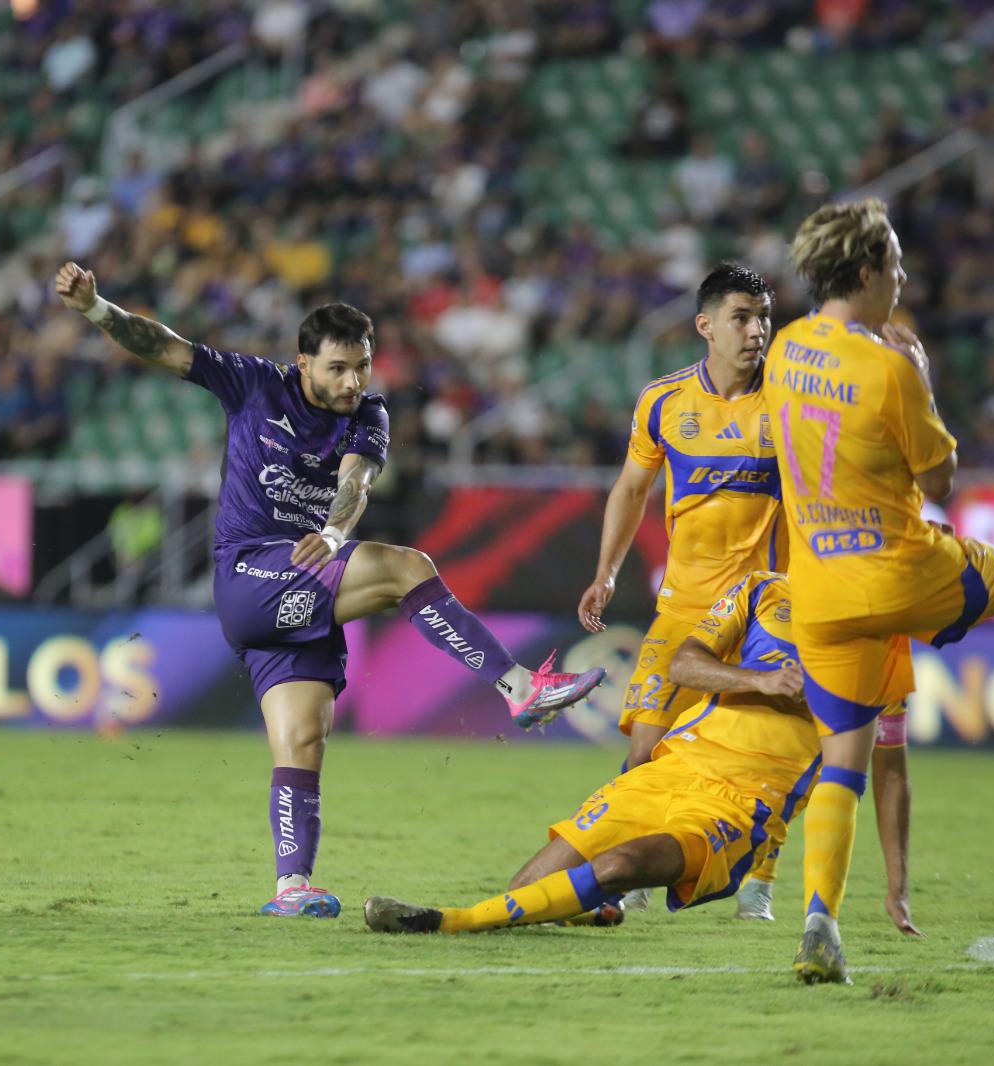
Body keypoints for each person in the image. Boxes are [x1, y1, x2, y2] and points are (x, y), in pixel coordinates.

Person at [55, 261, 606, 920]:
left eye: (363, 367)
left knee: (303, 743)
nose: (353, 381)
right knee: (407, 566)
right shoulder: (254, 384)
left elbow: (357, 484)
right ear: (303, 363)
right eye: (338, 368)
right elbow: (161, 345)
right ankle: (518, 688)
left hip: (308, 583)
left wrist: (336, 533)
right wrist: (96, 309)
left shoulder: (368, 414)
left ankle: (292, 887)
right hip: (248, 576)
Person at [763, 199, 994, 984]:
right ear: (869, 271)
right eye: (899, 267)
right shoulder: (888, 367)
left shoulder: (785, 347)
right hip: (903, 570)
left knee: (842, 757)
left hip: (821, 591)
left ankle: (820, 921)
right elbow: (940, 479)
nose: (905, 280)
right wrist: (923, 378)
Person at [364, 572, 918, 943]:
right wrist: (764, 681)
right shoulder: (762, 591)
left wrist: (897, 886)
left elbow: (890, 775)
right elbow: (683, 665)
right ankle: (600, 907)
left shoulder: (880, 645)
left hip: (742, 806)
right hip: (673, 768)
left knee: (622, 865)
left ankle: (445, 921)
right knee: (525, 892)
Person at [576, 263, 786, 916]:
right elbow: (631, 489)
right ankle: (627, 872)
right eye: (742, 317)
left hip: (766, 610)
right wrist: (606, 570)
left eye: (763, 317)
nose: (757, 330)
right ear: (705, 326)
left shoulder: (788, 403)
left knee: (767, 754)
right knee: (644, 750)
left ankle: (760, 880)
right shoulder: (663, 401)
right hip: (686, 608)